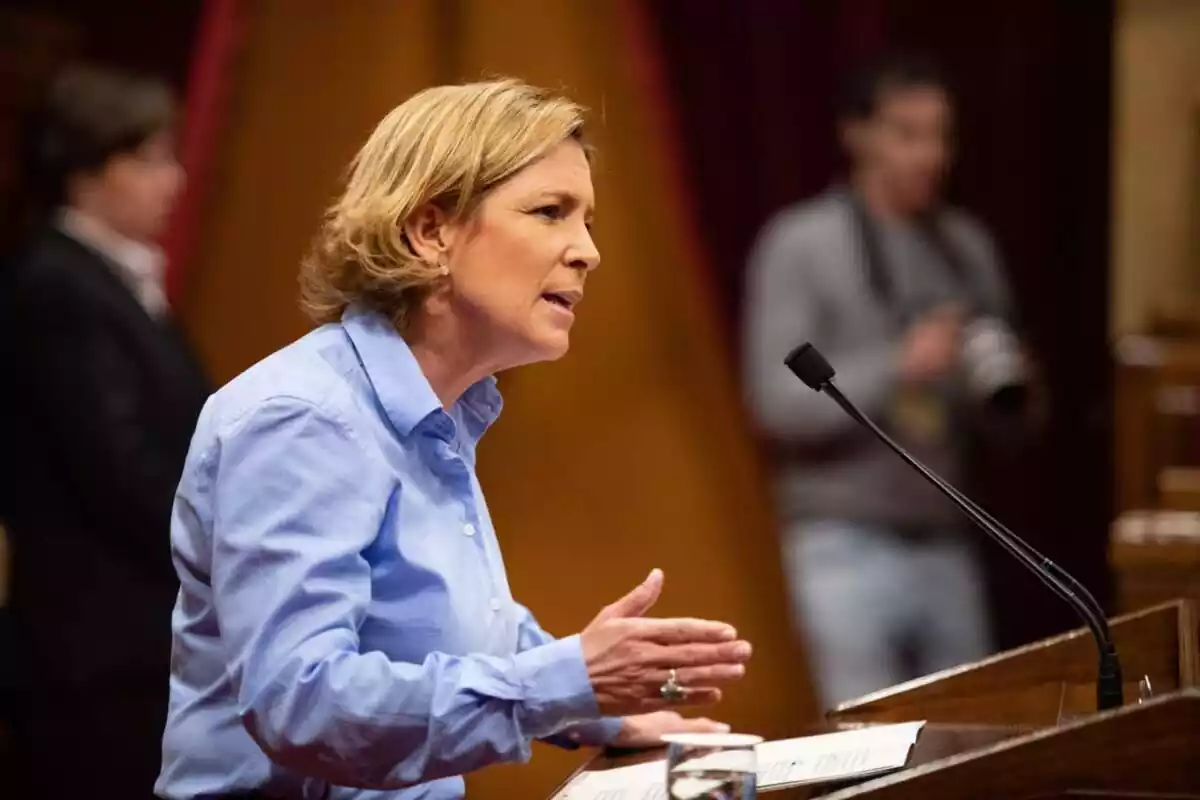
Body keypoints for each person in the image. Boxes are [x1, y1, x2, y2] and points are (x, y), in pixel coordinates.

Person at [156, 78, 752, 799]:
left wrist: (596, 707)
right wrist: (566, 682)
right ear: (429, 231)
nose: (587, 251)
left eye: (587, 220)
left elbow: (445, 624)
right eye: (550, 212)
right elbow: (303, 704)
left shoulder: (438, 408)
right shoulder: (306, 417)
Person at [743, 53, 1033, 709]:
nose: (930, 154)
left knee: (972, 744)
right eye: (907, 133)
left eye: (941, 135)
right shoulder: (801, 243)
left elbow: (1008, 420)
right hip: (841, 542)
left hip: (949, 537)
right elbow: (777, 406)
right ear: (856, 133)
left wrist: (1010, 390)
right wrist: (899, 364)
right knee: (867, 755)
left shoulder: (966, 245)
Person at [0, 64, 210, 795]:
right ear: (83, 169)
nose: (173, 181)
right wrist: (230, 551)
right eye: (147, 160)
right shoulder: (58, 283)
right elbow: (119, 471)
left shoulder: (112, 278)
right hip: (91, 648)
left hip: (129, 640)